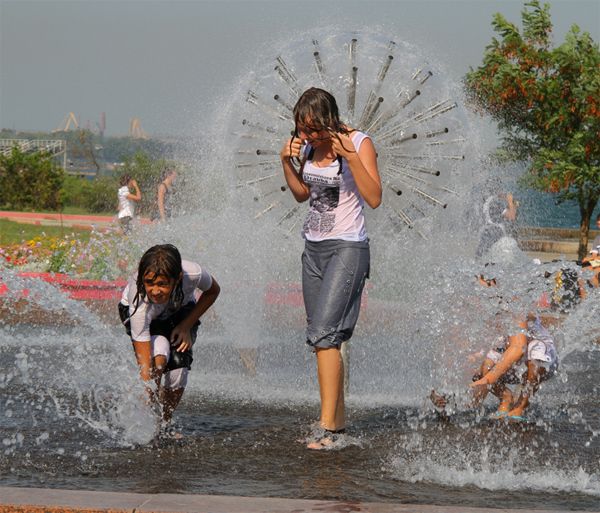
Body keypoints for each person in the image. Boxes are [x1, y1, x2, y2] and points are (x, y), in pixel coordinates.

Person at [279, 87, 382, 449]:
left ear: (328, 120)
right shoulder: (307, 147)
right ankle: (337, 426)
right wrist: (287, 162)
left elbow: (374, 197)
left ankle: (326, 429)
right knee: (323, 338)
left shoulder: (359, 142)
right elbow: (301, 194)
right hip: (314, 249)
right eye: (300, 129)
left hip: (348, 248)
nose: (305, 136)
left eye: (311, 129)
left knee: (324, 333)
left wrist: (352, 158)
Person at [118, 244, 220, 428]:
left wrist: (186, 326)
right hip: (143, 314)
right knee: (159, 354)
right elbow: (144, 365)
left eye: (162, 284)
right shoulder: (139, 300)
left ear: (177, 278)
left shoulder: (193, 273)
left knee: (178, 372)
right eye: (149, 283)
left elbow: (213, 291)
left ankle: (164, 423)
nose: (155, 291)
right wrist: (147, 386)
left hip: (179, 311)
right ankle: (149, 414)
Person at [475, 191, 518, 258]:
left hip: (484, 231)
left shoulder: (485, 200)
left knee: (482, 255)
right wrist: (510, 202)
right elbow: (511, 216)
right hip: (494, 232)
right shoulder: (496, 202)